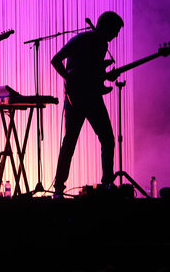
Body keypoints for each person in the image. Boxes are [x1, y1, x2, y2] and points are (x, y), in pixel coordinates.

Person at [51, 11, 123, 197]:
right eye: (115, 31)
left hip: (90, 96)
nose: (116, 36)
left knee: (103, 139)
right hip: (78, 97)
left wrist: (105, 77)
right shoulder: (82, 39)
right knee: (78, 141)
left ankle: (105, 183)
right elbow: (56, 60)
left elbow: (92, 73)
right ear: (106, 27)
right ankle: (59, 186)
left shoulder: (102, 44)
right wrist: (70, 80)